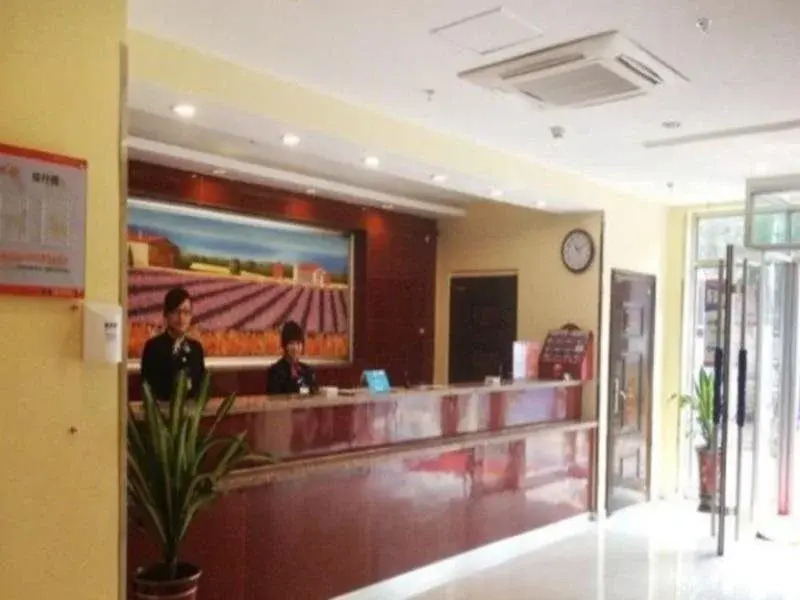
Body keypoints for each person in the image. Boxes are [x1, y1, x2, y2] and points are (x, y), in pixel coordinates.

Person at [140, 287, 206, 401]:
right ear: (166, 314)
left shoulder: (196, 348)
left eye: (186, 312)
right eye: (176, 312)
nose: (181, 318)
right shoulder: (153, 347)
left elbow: (201, 388)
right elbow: (148, 389)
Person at [267, 320, 316, 395]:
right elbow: (275, 398)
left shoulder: (307, 370)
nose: (295, 348)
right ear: (284, 345)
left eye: (298, 343)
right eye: (291, 343)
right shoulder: (275, 372)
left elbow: (314, 393)